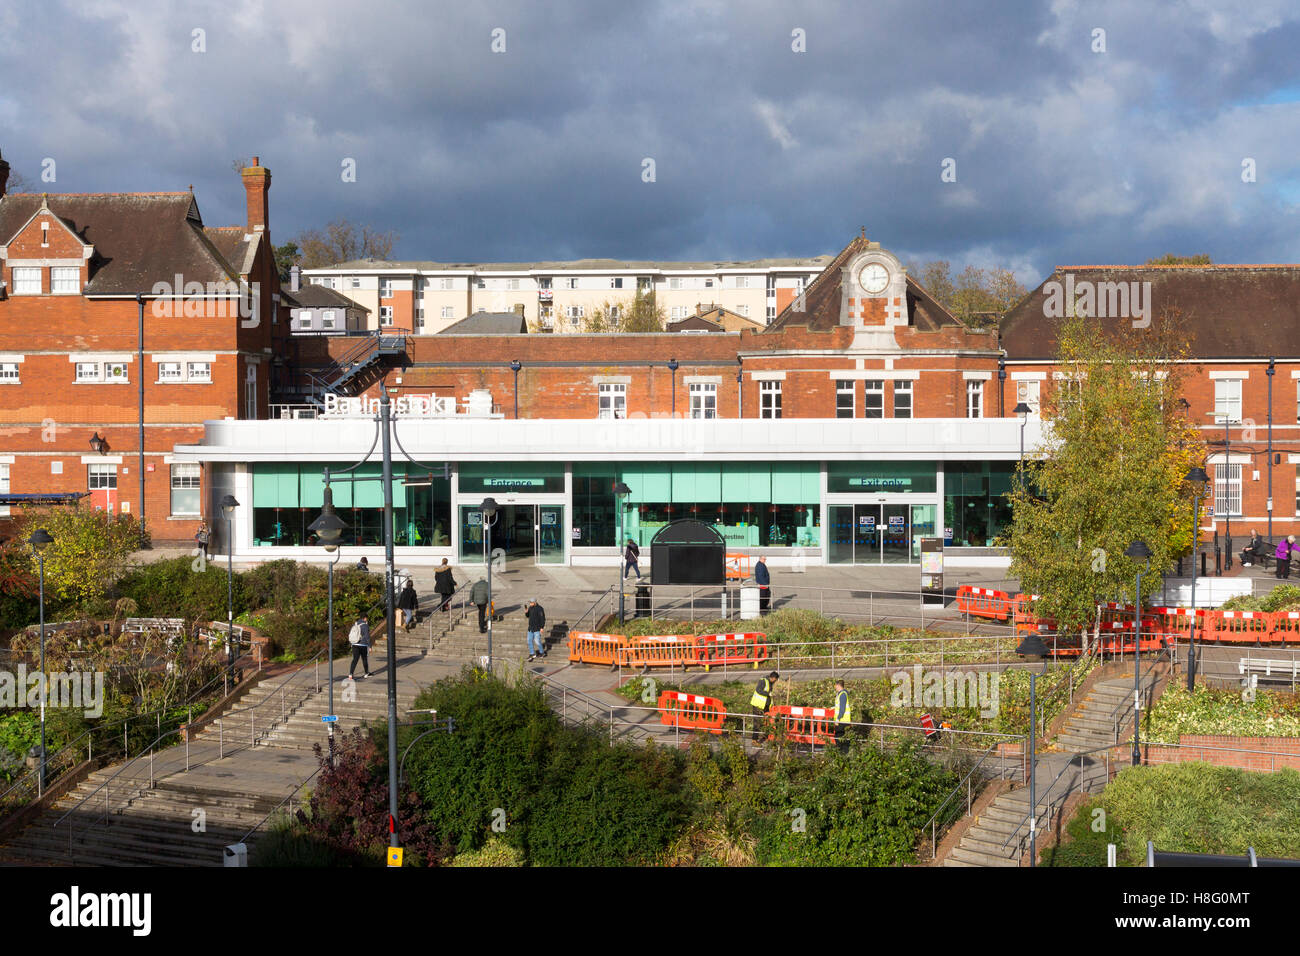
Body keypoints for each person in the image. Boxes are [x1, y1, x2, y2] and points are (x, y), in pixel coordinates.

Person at [750, 671, 779, 743]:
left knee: (766, 722)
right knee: (757, 722)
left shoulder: (770, 683)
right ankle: (754, 739)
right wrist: (768, 693)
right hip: (758, 706)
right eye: (775, 680)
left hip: (765, 706)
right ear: (772, 678)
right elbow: (758, 690)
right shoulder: (763, 681)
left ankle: (766, 737)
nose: (775, 682)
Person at [832, 679, 852, 753]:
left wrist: (838, 719)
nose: (835, 687)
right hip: (843, 720)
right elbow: (839, 706)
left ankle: (842, 754)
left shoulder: (842, 694)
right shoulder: (841, 694)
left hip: (842, 721)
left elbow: (842, 709)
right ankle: (843, 753)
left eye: (835, 685)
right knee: (842, 738)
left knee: (839, 738)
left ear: (838, 685)